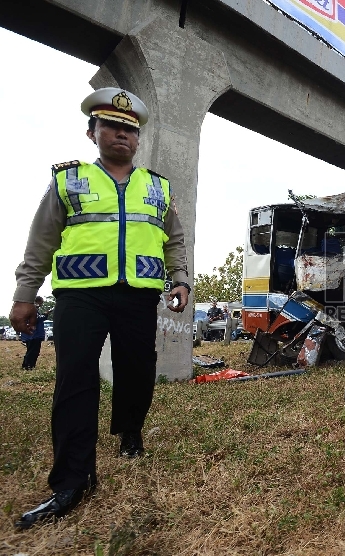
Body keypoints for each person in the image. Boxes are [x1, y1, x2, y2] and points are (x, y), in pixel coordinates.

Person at [10, 87, 190, 529]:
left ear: (138, 139)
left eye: (130, 129)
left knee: (137, 370)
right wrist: (24, 294)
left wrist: (181, 279)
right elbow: (41, 241)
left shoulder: (158, 188)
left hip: (138, 297)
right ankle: (73, 480)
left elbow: (176, 239)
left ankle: (130, 430)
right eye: (111, 126)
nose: (121, 135)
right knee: (75, 381)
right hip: (80, 296)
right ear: (92, 132)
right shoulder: (69, 181)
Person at [20, 296, 50, 370]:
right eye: (41, 303)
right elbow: (36, 319)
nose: (41, 305)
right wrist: (45, 314)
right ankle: (28, 366)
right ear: (38, 302)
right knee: (33, 351)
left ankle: (26, 365)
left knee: (30, 351)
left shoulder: (28, 309)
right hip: (33, 335)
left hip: (30, 335)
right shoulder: (32, 310)